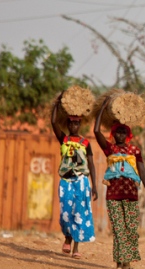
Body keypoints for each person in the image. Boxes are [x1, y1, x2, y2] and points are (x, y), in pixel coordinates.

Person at [93, 104, 145, 269]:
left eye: (123, 132)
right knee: (119, 229)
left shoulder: (134, 150)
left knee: (131, 229)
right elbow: (96, 132)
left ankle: (124, 262)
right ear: (113, 134)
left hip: (131, 195)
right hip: (113, 195)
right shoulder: (110, 149)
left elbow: (143, 172)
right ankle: (122, 264)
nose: (120, 135)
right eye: (117, 132)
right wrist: (102, 110)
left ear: (128, 135)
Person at [51, 94, 99, 259]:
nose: (74, 125)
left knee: (79, 212)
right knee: (66, 212)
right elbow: (53, 122)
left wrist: (95, 186)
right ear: (68, 123)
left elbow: (91, 164)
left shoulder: (86, 143)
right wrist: (57, 104)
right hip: (66, 181)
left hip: (81, 181)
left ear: (80, 124)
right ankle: (67, 238)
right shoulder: (64, 139)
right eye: (71, 122)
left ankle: (76, 247)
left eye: (77, 123)